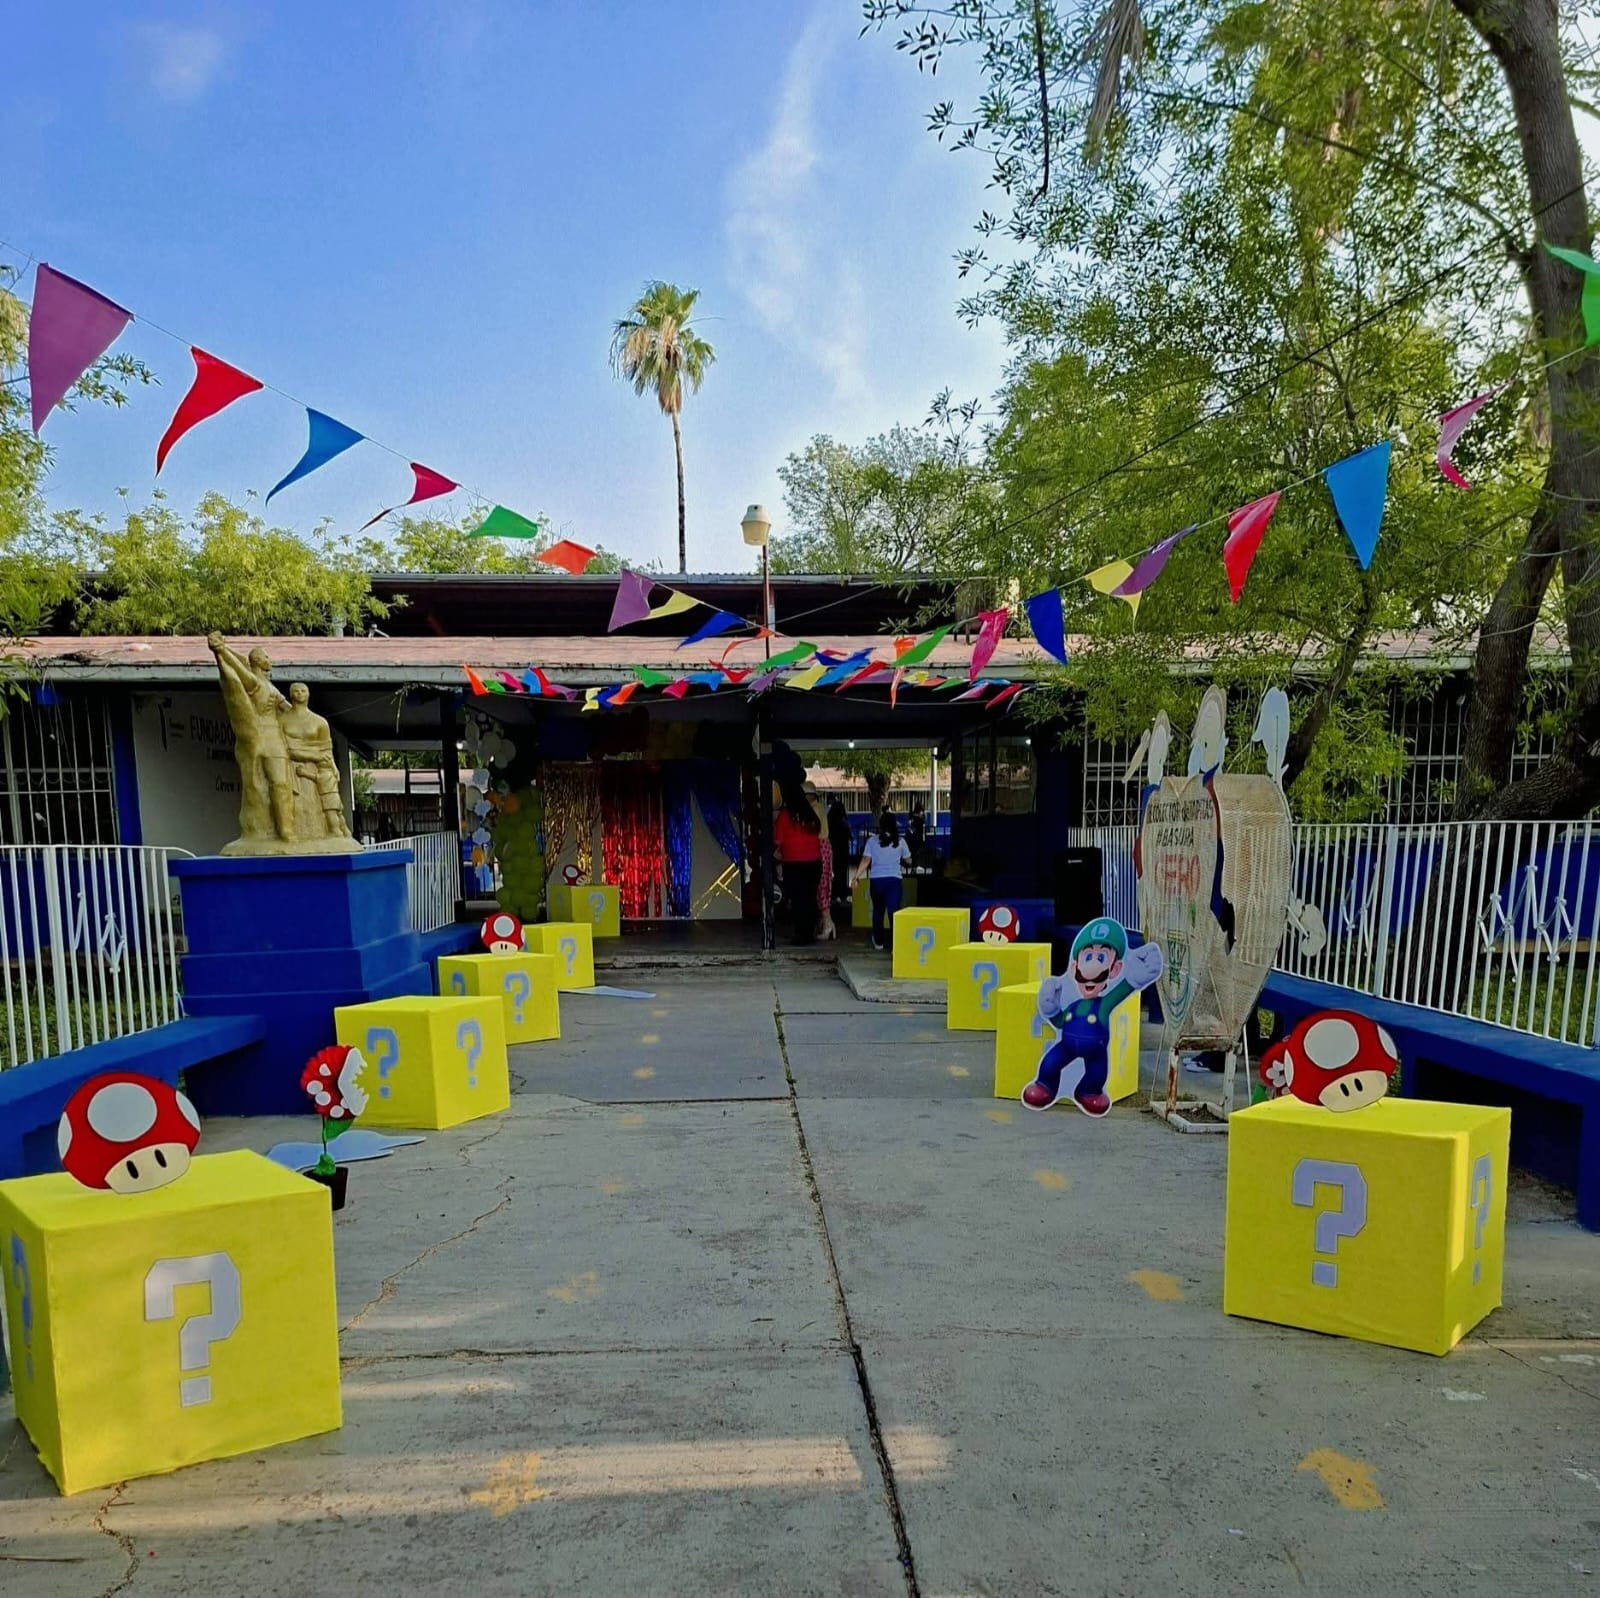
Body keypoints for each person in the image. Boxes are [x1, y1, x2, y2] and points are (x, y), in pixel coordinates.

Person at [773, 779, 824, 945]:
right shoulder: (810, 815)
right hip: (814, 863)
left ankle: (800, 934)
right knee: (810, 897)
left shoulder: (785, 815)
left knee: (797, 899)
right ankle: (809, 933)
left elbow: (778, 841)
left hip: (793, 863)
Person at [857, 811, 912, 952]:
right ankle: (895, 945)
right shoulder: (901, 842)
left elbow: (865, 861)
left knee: (878, 911)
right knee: (894, 913)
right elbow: (909, 860)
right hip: (894, 882)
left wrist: (855, 877)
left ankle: (879, 942)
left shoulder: (872, 841)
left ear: (880, 826)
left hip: (877, 882)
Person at [826, 799, 853, 917]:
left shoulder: (829, 821)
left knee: (831, 874)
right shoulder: (844, 822)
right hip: (843, 852)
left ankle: (832, 894)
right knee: (842, 873)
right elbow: (849, 836)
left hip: (832, 852)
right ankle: (841, 894)